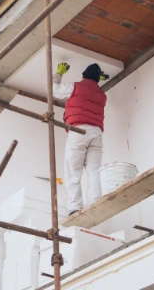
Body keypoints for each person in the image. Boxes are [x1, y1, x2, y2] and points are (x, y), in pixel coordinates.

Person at [53, 62, 107, 216]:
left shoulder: (76, 87)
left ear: (83, 76)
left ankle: (75, 207)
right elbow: (91, 90)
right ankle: (95, 202)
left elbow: (54, 89)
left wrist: (59, 73)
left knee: (72, 171)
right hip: (96, 133)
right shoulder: (102, 95)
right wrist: (95, 81)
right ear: (97, 79)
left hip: (78, 131)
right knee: (94, 171)